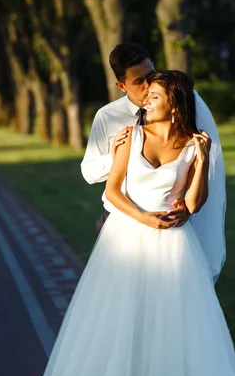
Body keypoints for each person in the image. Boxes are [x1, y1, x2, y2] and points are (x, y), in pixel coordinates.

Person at [24, 69, 235, 376]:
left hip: (174, 250)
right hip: (125, 243)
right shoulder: (130, 136)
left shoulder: (192, 145)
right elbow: (112, 191)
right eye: (146, 95)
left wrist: (203, 158)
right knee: (115, 329)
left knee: (172, 333)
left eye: (154, 96)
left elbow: (192, 204)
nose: (146, 102)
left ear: (174, 102)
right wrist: (145, 219)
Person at [81, 43, 189, 236]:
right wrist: (117, 156)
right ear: (121, 86)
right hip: (118, 221)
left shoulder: (180, 109)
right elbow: (88, 173)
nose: (148, 87)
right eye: (139, 81)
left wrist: (187, 203)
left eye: (151, 76)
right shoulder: (107, 116)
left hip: (170, 221)